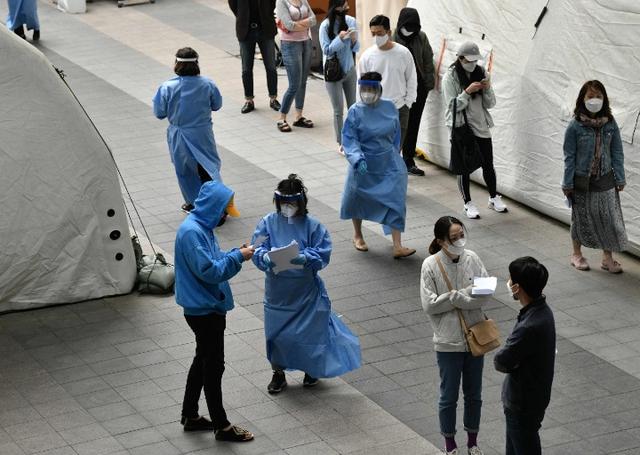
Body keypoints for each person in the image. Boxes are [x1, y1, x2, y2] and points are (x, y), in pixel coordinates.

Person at [252, 174, 361, 393]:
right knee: (277, 335)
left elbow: (323, 253)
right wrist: (264, 256)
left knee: (309, 333)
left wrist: (305, 257)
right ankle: (278, 373)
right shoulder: (267, 223)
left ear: (301, 203)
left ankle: (310, 369)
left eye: (291, 203)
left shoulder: (313, 226)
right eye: (283, 203)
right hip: (278, 293)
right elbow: (257, 247)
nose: (287, 207)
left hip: (305, 292)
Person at [174, 181, 255, 443]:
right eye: (224, 211)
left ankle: (190, 415)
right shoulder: (192, 233)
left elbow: (212, 257)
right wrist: (238, 258)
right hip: (204, 311)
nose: (225, 216)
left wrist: (234, 252)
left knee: (203, 359)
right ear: (214, 208)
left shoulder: (200, 228)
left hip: (203, 307)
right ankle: (221, 425)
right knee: (213, 366)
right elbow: (210, 271)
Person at [420, 216, 489, 455]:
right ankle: (450, 445)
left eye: (462, 234)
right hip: (447, 342)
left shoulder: (472, 258)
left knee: (474, 395)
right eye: (454, 237)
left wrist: (461, 299)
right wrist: (457, 297)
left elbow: (486, 293)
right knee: (448, 396)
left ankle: (473, 442)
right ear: (440, 241)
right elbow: (429, 305)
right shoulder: (430, 265)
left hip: (475, 338)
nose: (460, 240)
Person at [340, 72, 416, 259]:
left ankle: (397, 245)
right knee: (356, 198)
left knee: (396, 199)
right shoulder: (355, 111)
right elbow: (349, 139)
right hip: (363, 163)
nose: (367, 93)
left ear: (379, 90)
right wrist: (357, 159)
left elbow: (396, 133)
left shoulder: (390, 107)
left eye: (370, 89)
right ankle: (358, 235)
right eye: (363, 89)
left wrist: (395, 152)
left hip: (388, 161)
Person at [562, 80, 627, 273]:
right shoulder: (574, 126)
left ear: (604, 99)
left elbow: (617, 152)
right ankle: (577, 254)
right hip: (581, 179)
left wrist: (620, 177)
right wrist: (567, 183)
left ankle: (607, 258)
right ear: (582, 98)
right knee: (581, 217)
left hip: (606, 177)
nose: (595, 100)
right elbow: (569, 157)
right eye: (590, 96)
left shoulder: (610, 123)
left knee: (608, 218)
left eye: (598, 96)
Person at [494, 257, 555, 455]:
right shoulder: (542, 312)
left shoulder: (529, 326)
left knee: (523, 446)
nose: (509, 282)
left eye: (511, 280)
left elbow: (501, 361)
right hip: (533, 397)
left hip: (522, 401)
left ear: (517, 287)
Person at [153, 48, 223, 214]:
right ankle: (217, 204)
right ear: (197, 64)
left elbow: (159, 113)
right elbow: (217, 105)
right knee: (209, 168)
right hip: (202, 133)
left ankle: (193, 202)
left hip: (179, 134)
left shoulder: (167, 87)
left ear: (177, 64)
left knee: (185, 170)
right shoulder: (208, 84)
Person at [442, 41, 507, 219]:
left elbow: (490, 103)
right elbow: (451, 106)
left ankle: (494, 197)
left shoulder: (481, 72)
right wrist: (467, 92)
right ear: (460, 58)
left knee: (488, 162)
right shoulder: (451, 77)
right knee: (464, 167)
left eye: (475, 60)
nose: (472, 64)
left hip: (480, 123)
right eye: (468, 60)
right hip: (461, 126)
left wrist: (486, 90)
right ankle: (467, 203)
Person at [358, 14, 416, 154]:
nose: (376, 37)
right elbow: (360, 86)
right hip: (376, 109)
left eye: (379, 33)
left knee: (395, 150)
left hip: (399, 108)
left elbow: (412, 79)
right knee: (378, 149)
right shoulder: (367, 56)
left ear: (389, 32)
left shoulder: (403, 53)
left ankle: (393, 174)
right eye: (373, 34)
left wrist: (407, 103)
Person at [392, 7, 435, 176]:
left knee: (413, 124)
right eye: (407, 26)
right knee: (398, 125)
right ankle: (393, 159)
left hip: (418, 88)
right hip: (399, 90)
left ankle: (408, 160)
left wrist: (428, 84)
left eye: (414, 27)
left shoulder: (421, 37)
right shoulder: (393, 38)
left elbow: (428, 61)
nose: (410, 30)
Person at [319, 0, 359, 154]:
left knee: (353, 107)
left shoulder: (351, 21)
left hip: (349, 70)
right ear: (335, 7)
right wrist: (340, 39)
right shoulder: (325, 26)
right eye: (343, 5)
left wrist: (354, 39)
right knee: (338, 110)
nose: (346, 8)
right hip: (333, 73)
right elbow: (327, 50)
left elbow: (356, 48)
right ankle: (341, 143)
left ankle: (354, 138)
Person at [228, 0, 281, 114]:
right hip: (246, 31)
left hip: (265, 29)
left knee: (271, 66)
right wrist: (243, 16)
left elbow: (272, 4)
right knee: (246, 68)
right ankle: (249, 100)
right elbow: (233, 5)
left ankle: (273, 98)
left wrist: (266, 15)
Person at [275, 0, 316, 132]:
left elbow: (314, 19)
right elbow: (288, 25)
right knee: (294, 84)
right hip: (290, 45)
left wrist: (297, 25)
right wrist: (305, 23)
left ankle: (298, 116)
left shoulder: (303, 0)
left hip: (306, 42)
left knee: (303, 82)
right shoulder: (281, 2)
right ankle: (282, 117)